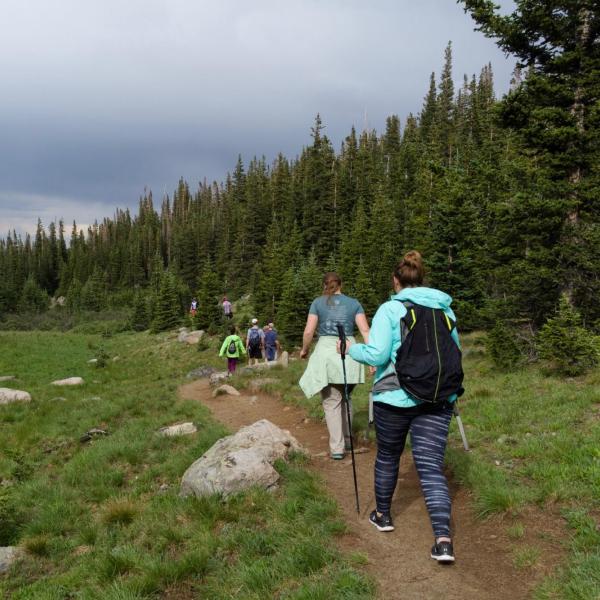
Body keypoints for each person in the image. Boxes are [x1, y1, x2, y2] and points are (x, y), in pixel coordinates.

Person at [340, 251, 460, 563]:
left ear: (396, 281)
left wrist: (353, 350)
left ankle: (383, 515)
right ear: (422, 280)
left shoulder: (391, 309)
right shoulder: (446, 311)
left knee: (389, 456)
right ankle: (443, 541)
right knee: (431, 468)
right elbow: (455, 353)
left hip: (394, 399)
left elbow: (378, 356)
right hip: (437, 400)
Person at [299, 272, 370, 460]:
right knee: (346, 397)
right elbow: (365, 330)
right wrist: (371, 358)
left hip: (327, 354)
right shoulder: (354, 303)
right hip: (350, 352)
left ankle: (337, 448)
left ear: (324, 285)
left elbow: (308, 331)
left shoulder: (317, 303)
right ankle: (347, 440)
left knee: (332, 402)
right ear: (341, 285)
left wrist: (304, 349)